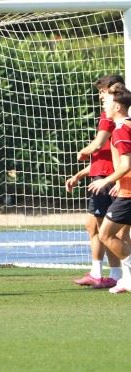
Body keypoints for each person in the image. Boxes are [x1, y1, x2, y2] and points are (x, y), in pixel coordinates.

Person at [66, 75, 124, 289]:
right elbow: (101, 158)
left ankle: (117, 274)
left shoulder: (112, 119)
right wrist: (79, 175)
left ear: (114, 91)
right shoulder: (112, 119)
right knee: (93, 226)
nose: (100, 96)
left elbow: (99, 147)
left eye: (103, 91)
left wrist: (84, 150)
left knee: (109, 231)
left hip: (107, 180)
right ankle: (98, 272)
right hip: (101, 177)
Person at [87, 82, 131, 293]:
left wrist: (106, 181)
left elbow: (126, 165)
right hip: (125, 189)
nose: (104, 103)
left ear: (118, 107)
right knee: (119, 235)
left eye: (108, 100)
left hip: (129, 193)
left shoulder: (121, 130)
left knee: (105, 234)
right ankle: (127, 279)